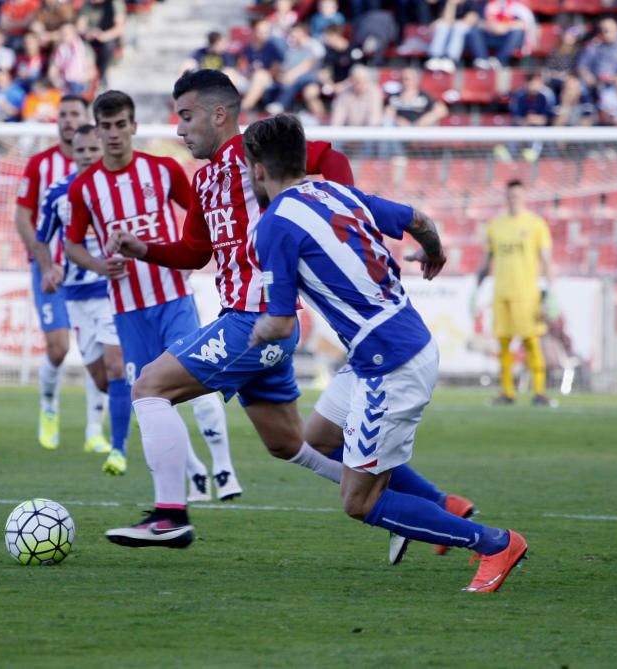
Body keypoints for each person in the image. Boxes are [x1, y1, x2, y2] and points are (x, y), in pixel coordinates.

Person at [103, 71, 475, 562]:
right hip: (256, 323)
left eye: (186, 117)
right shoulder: (205, 178)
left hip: (254, 319)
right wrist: (143, 248)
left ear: (220, 115)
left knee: (150, 386)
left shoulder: (252, 155)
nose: (180, 130)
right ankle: (435, 504)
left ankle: (170, 516)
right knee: (289, 442)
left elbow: (327, 158)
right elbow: (196, 251)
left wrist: (336, 215)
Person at [245, 113, 528, 593]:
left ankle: (494, 543)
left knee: (359, 501)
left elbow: (280, 322)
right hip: (382, 351)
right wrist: (433, 251)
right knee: (317, 439)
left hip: (389, 363)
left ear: (257, 171)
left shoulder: (274, 225)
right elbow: (418, 220)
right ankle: (444, 506)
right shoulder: (336, 192)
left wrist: (242, 346)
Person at [64, 89, 235, 491]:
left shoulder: (163, 170)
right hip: (128, 309)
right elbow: (73, 245)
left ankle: (225, 471)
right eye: (105, 126)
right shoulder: (84, 188)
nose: (113, 135)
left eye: (120, 125)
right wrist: (98, 264)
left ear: (134, 127)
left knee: (196, 381)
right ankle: (192, 474)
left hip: (174, 296)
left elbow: (200, 212)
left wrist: (193, 253)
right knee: (152, 398)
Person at [13, 94, 109, 455]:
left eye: (75, 114)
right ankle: (49, 408)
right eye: (63, 114)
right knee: (58, 347)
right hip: (53, 273)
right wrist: (43, 261)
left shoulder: (106, 168)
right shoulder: (41, 165)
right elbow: (23, 217)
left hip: (96, 277)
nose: (68, 120)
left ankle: (94, 429)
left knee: (98, 352)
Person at [33, 125, 118, 464]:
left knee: (115, 365)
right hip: (76, 292)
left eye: (93, 150)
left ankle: (101, 433)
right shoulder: (58, 193)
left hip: (114, 288)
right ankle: (50, 407)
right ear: (72, 151)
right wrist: (48, 268)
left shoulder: (117, 188)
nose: (86, 156)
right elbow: (41, 239)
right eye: (80, 150)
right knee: (95, 369)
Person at [473, 179, 554, 406]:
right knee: (504, 342)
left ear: (524, 197)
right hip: (502, 293)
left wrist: (549, 290)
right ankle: (507, 393)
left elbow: (546, 260)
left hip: (528, 294)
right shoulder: (495, 225)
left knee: (531, 341)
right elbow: (487, 258)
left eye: (517, 196)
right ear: (506, 198)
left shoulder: (536, 224)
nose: (514, 200)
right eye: (510, 196)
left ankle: (539, 392)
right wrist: (476, 288)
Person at [466, 0, 532, 69]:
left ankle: (498, 61)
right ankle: (482, 61)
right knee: (474, 31)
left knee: (517, 32)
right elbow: (477, 22)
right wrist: (491, 27)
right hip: (488, 36)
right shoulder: (485, 4)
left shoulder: (514, 5)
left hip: (505, 38)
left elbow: (524, 24)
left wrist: (505, 26)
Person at [577, 18, 617, 91]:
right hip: (596, 84)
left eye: (611, 30)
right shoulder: (594, 46)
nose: (607, 33)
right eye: (604, 31)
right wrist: (588, 76)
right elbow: (581, 66)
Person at [425, 0, 484, 73]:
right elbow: (446, 19)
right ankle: (435, 57)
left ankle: (451, 59)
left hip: (465, 40)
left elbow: (469, 20)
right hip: (450, 35)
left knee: (458, 27)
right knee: (442, 25)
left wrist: (453, 23)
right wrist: (451, 4)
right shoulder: (448, 2)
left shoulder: (471, 3)